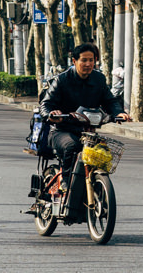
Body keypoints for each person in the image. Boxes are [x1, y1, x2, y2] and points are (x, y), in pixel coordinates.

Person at [39, 45, 127, 211]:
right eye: (84, 60)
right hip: (60, 131)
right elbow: (46, 104)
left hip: (87, 132)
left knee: (101, 152)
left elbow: (110, 101)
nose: (88, 64)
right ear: (74, 61)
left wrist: (119, 113)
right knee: (72, 146)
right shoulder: (62, 80)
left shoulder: (99, 79)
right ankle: (65, 182)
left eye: (91, 60)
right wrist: (52, 113)